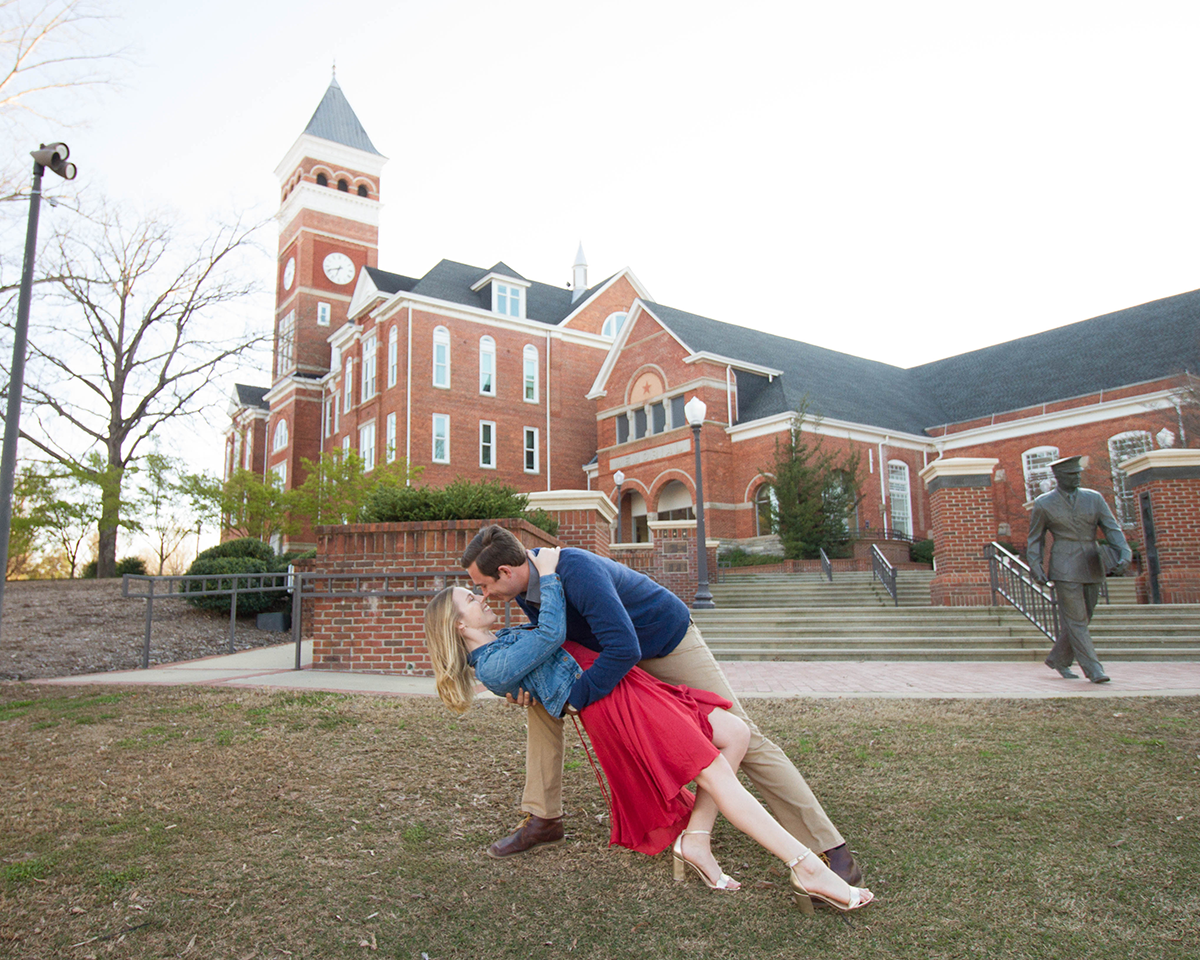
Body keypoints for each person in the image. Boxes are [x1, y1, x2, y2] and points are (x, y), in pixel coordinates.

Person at [423, 546, 874, 913]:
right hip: (608, 671)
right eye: (474, 593)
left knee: (742, 734)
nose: (483, 596)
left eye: (482, 586)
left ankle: (825, 845)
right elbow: (535, 643)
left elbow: (619, 644)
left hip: (658, 640)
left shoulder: (570, 568)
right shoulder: (521, 591)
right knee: (541, 708)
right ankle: (545, 817)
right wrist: (520, 685)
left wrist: (575, 696)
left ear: (504, 571)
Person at [1026, 455, 1132, 683]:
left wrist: (1125, 552)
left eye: (1077, 474)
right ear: (1058, 477)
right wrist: (1035, 566)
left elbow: (1111, 528)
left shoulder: (1094, 498)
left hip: (1093, 562)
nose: (1076, 478)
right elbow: (1035, 539)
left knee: (1085, 616)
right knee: (1075, 620)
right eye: (1070, 475)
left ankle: (1059, 659)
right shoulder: (1044, 503)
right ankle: (1094, 669)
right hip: (1064, 565)